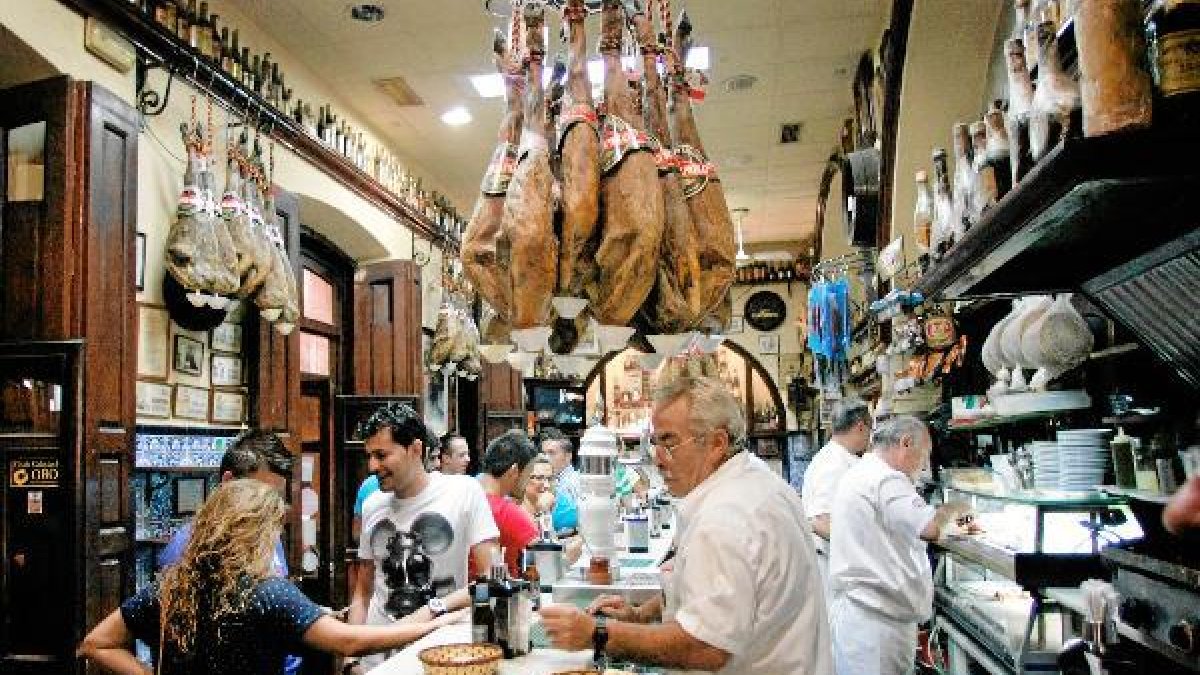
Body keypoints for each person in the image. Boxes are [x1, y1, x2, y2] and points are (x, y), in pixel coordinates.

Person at [540, 375, 833, 674]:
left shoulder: (725, 518)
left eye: (670, 443)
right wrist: (641, 615)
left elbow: (705, 647)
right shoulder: (755, 480)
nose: (657, 458)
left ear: (717, 443)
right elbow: (710, 588)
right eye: (655, 443)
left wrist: (599, 634)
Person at [78, 480, 464, 675]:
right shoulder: (266, 594)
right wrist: (434, 624)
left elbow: (96, 644)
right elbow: (348, 642)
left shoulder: (172, 585)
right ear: (254, 531)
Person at [348, 402, 499, 671]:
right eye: (369, 456)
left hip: (443, 651)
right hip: (379, 655)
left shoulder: (463, 492)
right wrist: (351, 658)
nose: (372, 465)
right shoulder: (372, 505)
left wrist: (434, 608)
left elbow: (492, 578)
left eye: (382, 455)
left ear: (415, 449)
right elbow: (363, 591)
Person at [828, 415, 971, 675]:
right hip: (878, 626)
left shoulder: (862, 472)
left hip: (864, 620)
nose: (925, 464)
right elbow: (931, 528)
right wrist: (959, 507)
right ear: (906, 443)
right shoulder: (886, 479)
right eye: (925, 453)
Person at [156, 429, 301, 675]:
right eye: (260, 493)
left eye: (275, 496)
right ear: (228, 482)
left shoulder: (266, 534)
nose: (270, 506)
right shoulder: (188, 548)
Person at [801, 398, 872, 604]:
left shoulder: (840, 457)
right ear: (860, 427)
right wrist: (869, 550)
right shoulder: (834, 463)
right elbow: (821, 521)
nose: (870, 437)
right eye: (869, 430)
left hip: (838, 565)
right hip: (833, 568)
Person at [478, 430, 541, 576]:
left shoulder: (468, 496)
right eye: (528, 475)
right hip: (504, 592)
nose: (527, 483)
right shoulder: (506, 511)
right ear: (513, 471)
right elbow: (547, 557)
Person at [541, 427, 581, 533]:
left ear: (568, 456)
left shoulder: (576, 483)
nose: (545, 458)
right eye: (543, 453)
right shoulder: (544, 481)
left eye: (551, 453)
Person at [521, 455, 558, 521]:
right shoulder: (514, 513)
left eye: (549, 479)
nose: (547, 485)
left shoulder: (549, 508)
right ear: (524, 479)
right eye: (539, 478)